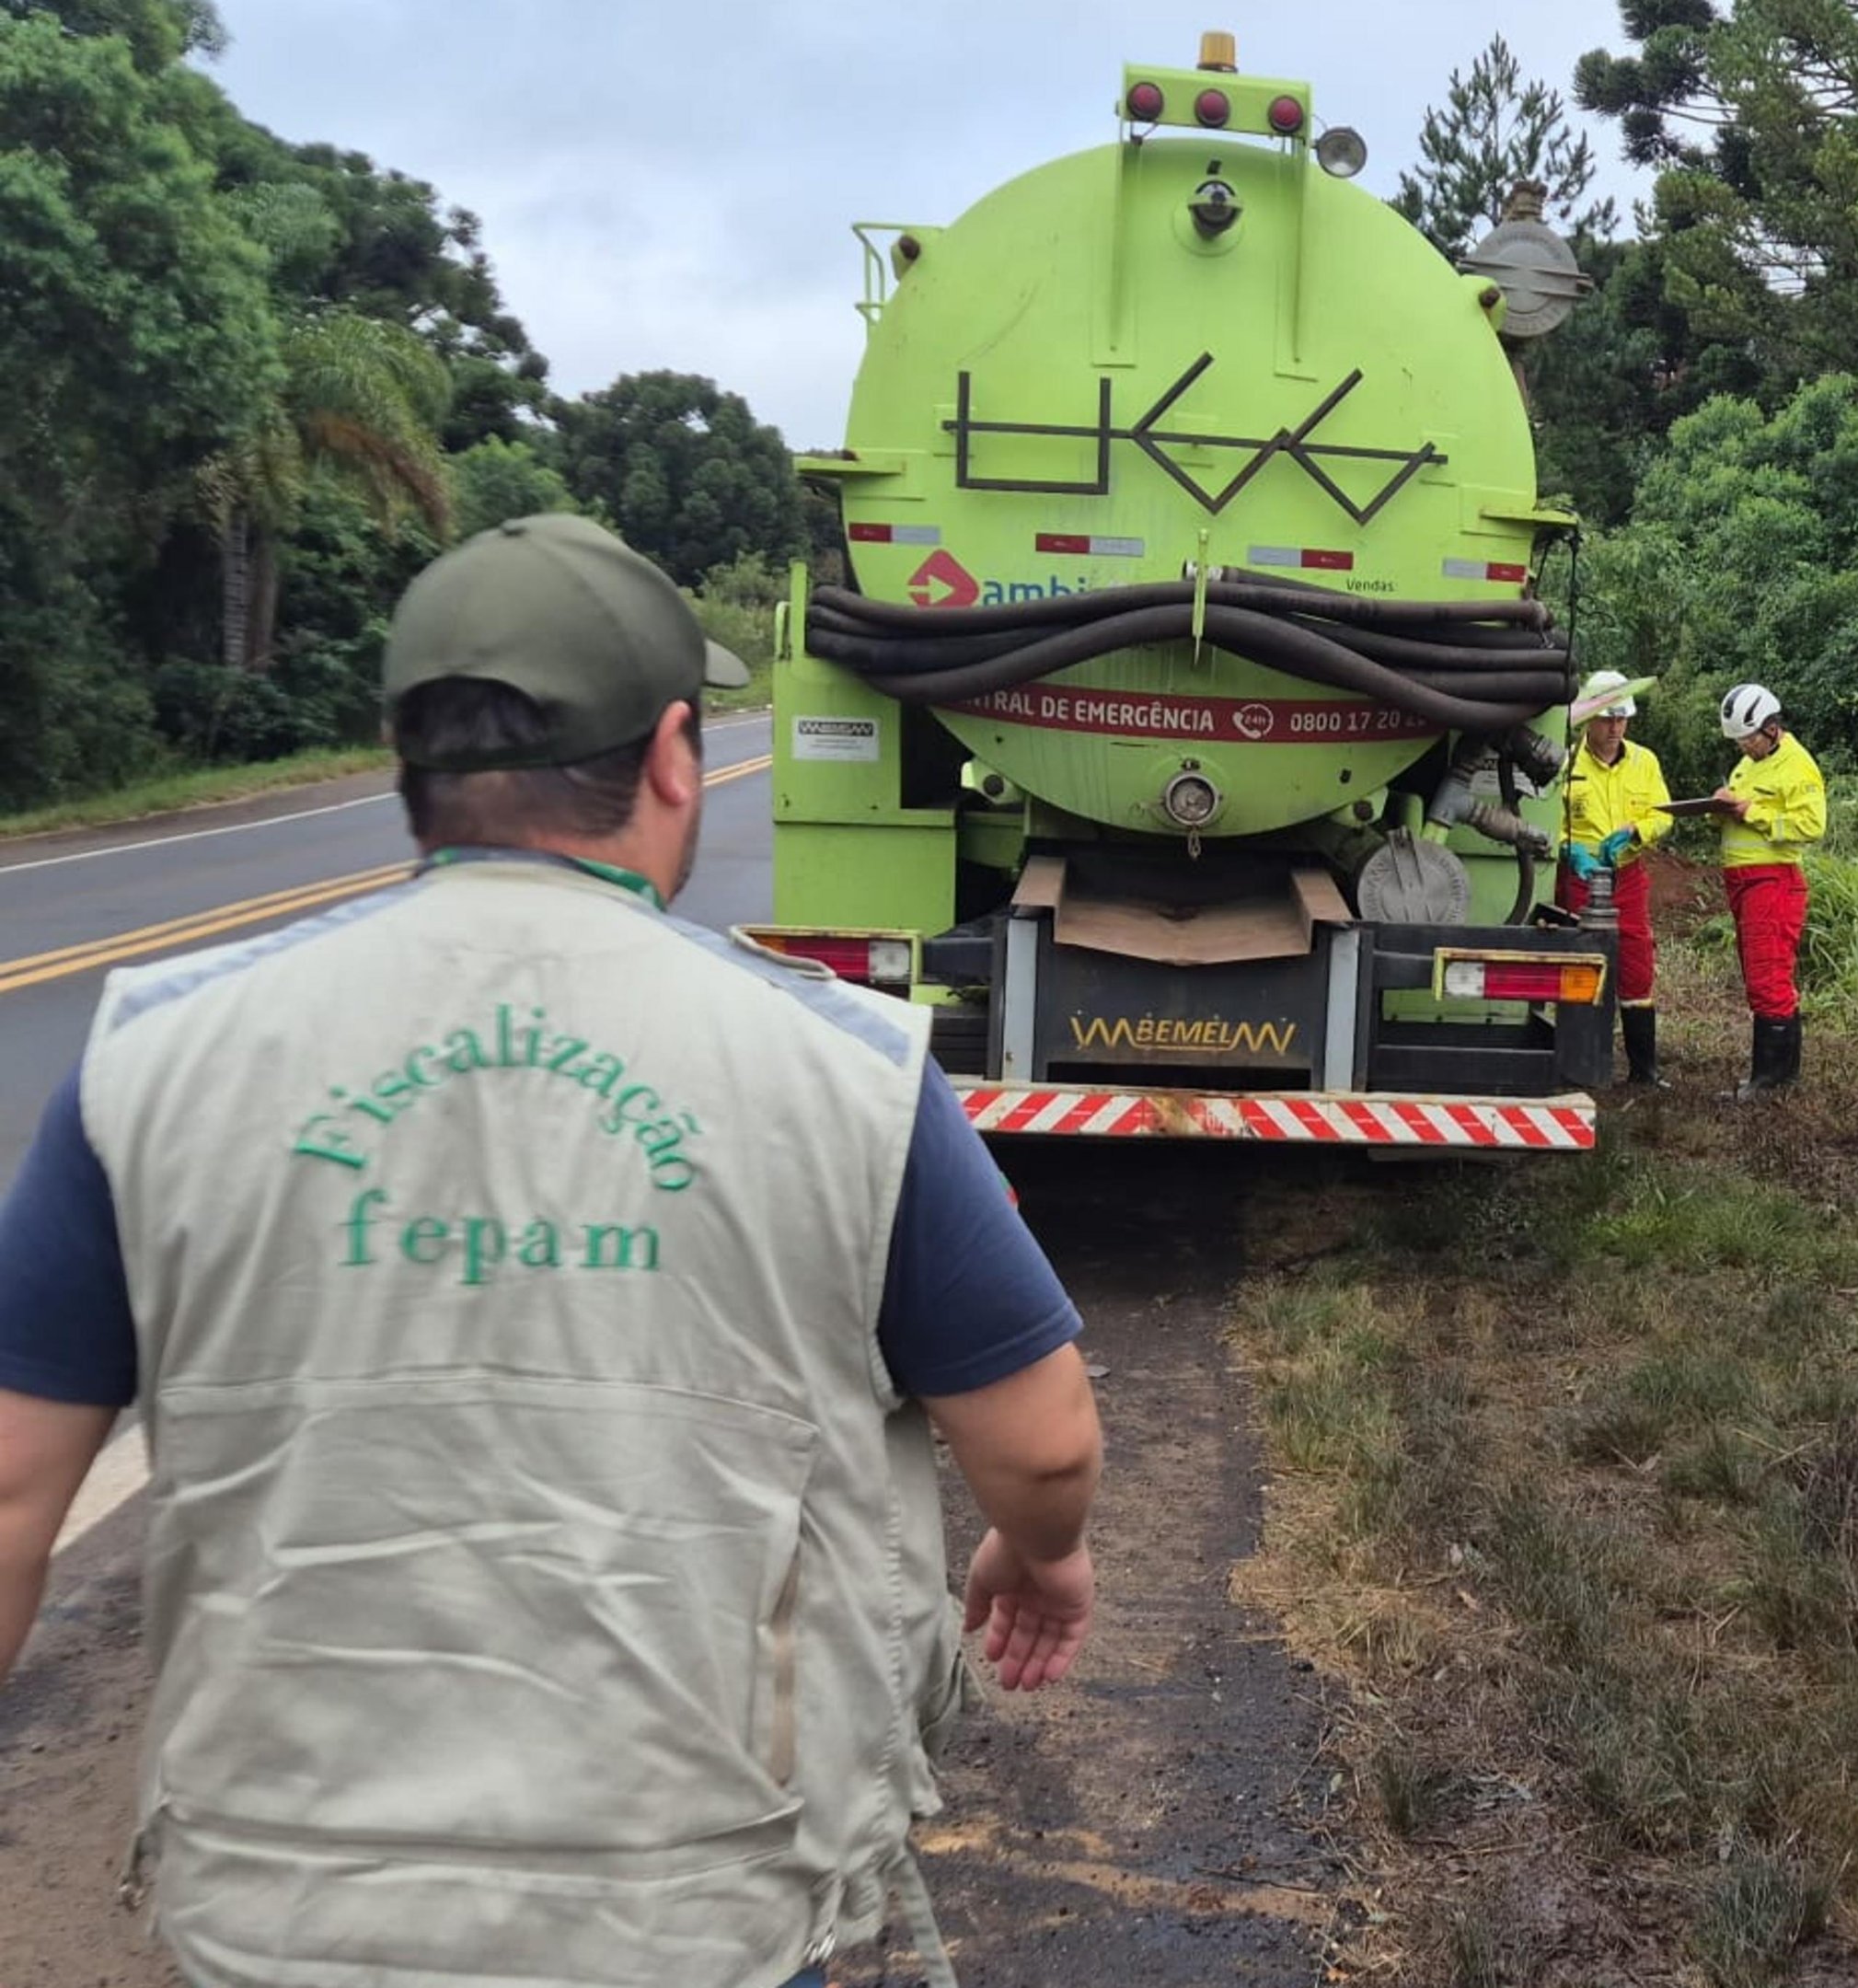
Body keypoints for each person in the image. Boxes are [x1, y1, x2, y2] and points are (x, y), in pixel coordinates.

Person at [0, 514, 1104, 1988]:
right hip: (698, 1894)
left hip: (278, 1898)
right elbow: (1037, 1444)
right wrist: (1042, 1558)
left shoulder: (154, 1053)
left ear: (408, 765)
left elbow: (14, 1491)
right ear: (667, 754)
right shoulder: (839, 1068)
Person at [1709, 683, 1829, 1095]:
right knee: (1756, 975)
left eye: (1749, 738)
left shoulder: (1797, 765)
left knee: (1768, 977)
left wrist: (1751, 812)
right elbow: (1742, 815)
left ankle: (1770, 1080)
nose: (1743, 747)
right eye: (1738, 740)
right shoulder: (1748, 765)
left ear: (1772, 727)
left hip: (1773, 880)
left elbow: (1811, 826)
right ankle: (1776, 1077)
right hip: (1742, 881)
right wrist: (1721, 808)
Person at [1559, 667, 1674, 1085]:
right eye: (1607, 718)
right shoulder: (1565, 762)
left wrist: (1635, 832)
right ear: (1590, 718)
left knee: (1637, 964)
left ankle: (1644, 1071)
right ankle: (1582, 1065)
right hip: (1580, 880)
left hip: (1627, 876)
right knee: (1582, 966)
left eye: (1622, 719)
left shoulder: (1644, 761)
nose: (1615, 728)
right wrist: (1570, 850)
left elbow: (1662, 815)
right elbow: (1545, 820)